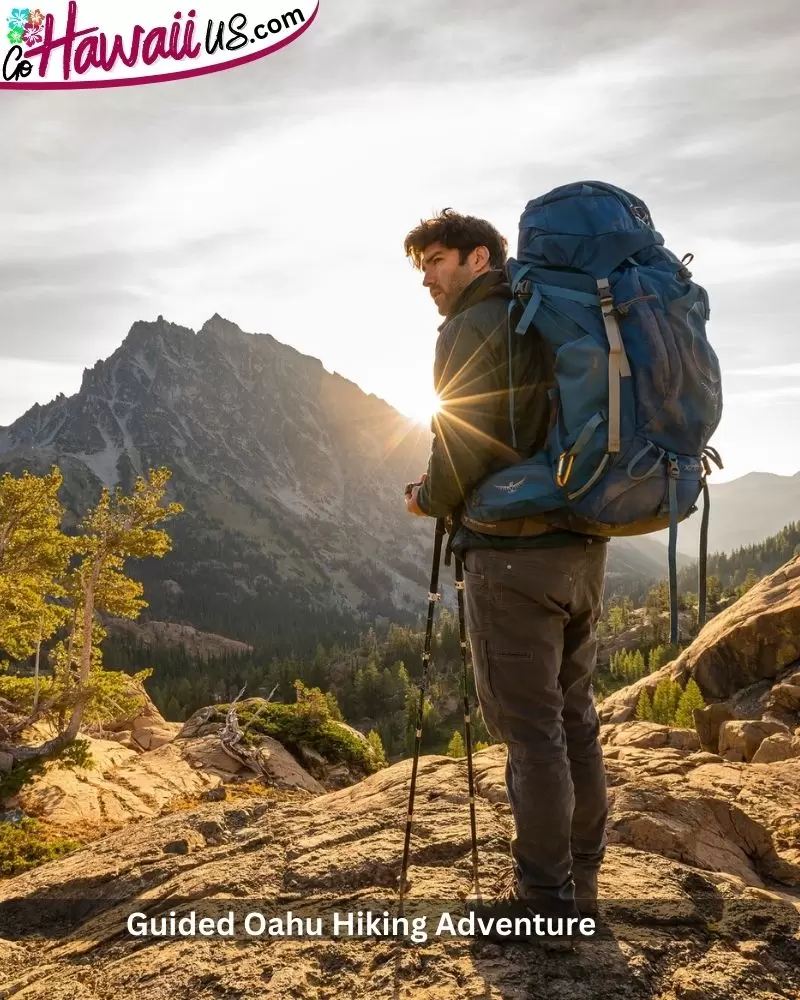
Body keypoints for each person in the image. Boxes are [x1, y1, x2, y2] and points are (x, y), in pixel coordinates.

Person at [402, 208, 609, 928]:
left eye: (435, 260)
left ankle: (545, 903)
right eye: (421, 265)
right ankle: (581, 882)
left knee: (532, 733)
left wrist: (427, 497)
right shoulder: (545, 314)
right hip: (584, 542)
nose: (426, 277)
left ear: (480, 257)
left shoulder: (470, 326)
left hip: (514, 555)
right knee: (574, 716)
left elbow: (465, 437)